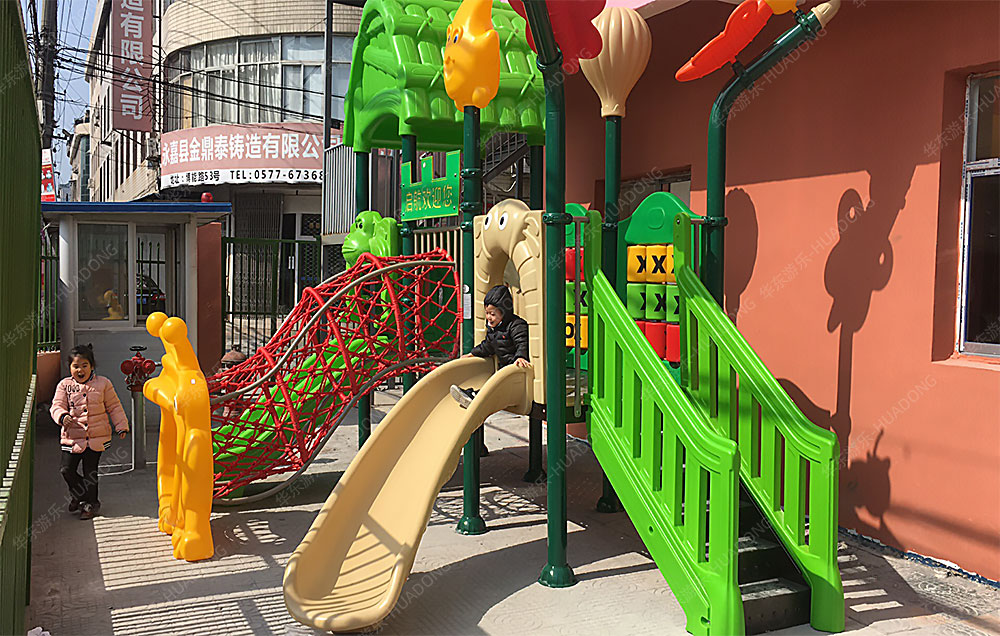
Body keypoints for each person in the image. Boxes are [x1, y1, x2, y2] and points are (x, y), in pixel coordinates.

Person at [50, 344, 129, 520]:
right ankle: (79, 495)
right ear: (70, 368)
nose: (80, 370)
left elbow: (114, 406)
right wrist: (62, 416)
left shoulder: (103, 384)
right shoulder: (64, 385)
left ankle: (91, 504)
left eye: (84, 365)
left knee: (90, 473)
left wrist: (121, 425)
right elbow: (56, 406)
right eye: (76, 366)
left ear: (92, 366)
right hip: (72, 437)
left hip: (96, 438)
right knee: (66, 470)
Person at [450, 285, 531, 410]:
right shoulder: (494, 330)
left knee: (495, 385)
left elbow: (522, 342)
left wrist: (520, 356)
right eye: (487, 313)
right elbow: (487, 346)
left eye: (492, 314)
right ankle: (474, 396)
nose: (488, 317)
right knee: (494, 383)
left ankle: (475, 397)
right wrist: (473, 353)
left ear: (504, 312)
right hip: (504, 369)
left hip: (516, 371)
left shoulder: (516, 325)